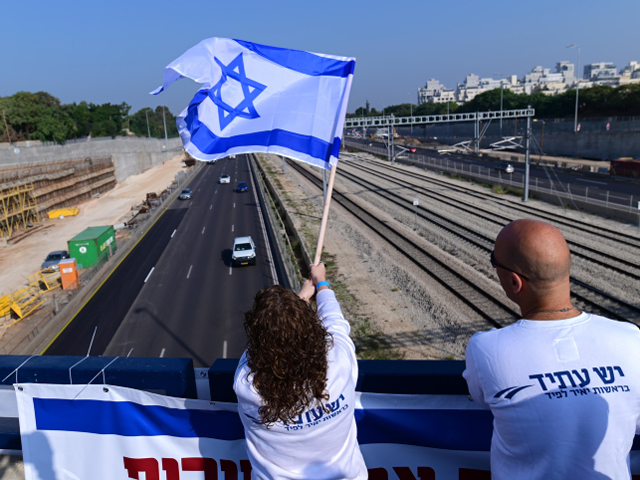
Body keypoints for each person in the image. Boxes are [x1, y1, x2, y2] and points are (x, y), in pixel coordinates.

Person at [464, 219, 640, 479]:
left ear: (514, 282)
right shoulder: (630, 339)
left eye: (494, 262)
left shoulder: (486, 349)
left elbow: (481, 398)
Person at [234, 263, 367, 479]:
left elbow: (260, 345)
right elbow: (335, 322)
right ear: (309, 330)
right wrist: (320, 283)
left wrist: (301, 298)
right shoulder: (338, 362)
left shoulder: (246, 386)